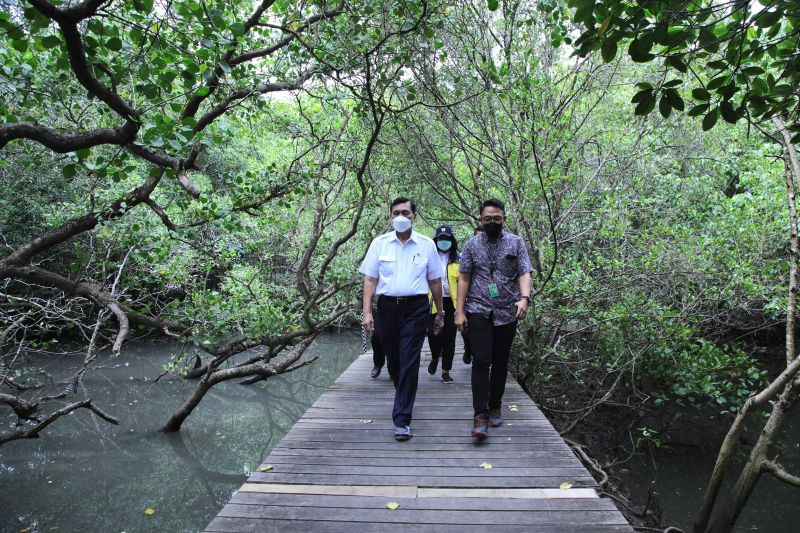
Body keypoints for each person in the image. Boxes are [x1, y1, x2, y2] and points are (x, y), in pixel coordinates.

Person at [360, 197, 445, 441]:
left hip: (416, 308)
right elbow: (370, 280)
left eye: (405, 212)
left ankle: (402, 419)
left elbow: (435, 281)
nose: (400, 216)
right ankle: (403, 392)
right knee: (394, 360)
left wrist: (440, 312)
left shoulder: (427, 244)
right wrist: (367, 312)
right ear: (390, 216)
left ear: (414, 216)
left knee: (409, 360)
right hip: (387, 308)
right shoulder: (380, 244)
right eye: (396, 212)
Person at [454, 199, 533, 440]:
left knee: (500, 361)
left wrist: (525, 298)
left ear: (504, 219)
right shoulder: (471, 245)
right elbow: (464, 278)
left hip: (507, 310)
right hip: (478, 308)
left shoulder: (516, 242)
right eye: (487, 219)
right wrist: (459, 311)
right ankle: (479, 414)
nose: (492, 223)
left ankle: (495, 405)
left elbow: (524, 272)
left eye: (496, 219)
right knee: (481, 361)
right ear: (480, 220)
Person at [426, 224, 460, 383]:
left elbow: (464, 283)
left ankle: (446, 370)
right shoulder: (429, 257)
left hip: (451, 303)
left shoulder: (458, 260)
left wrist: (462, 307)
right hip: (432, 302)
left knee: (450, 338)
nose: (444, 241)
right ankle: (434, 357)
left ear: (452, 240)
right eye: (441, 239)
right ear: (436, 240)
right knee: (433, 334)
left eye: (447, 239)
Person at [461, 223, 483, 366]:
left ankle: (476, 353)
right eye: (478, 235)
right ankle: (468, 347)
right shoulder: (467, 251)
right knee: (465, 328)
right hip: (470, 298)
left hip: (487, 299)